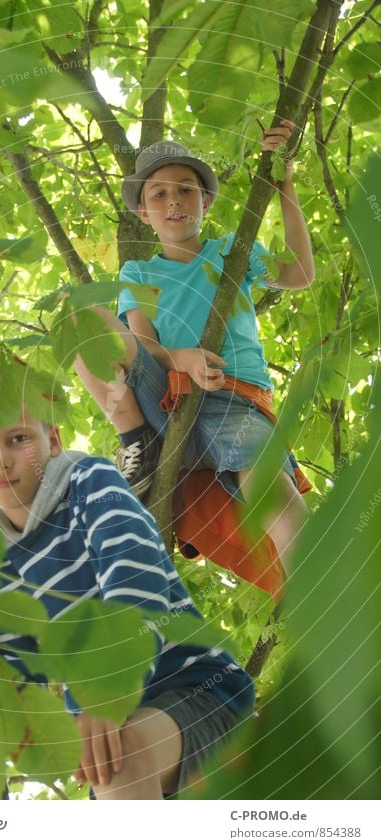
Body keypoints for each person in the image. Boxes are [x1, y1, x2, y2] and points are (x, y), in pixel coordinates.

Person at [0, 371, 255, 799]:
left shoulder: (88, 482)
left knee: (118, 762)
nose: (0, 460)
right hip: (106, 734)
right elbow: (11, 669)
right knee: (110, 773)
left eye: (18, 438)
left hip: (196, 687)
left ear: (52, 442)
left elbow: (134, 570)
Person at [74, 121, 315, 575]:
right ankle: (136, 443)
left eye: (185, 190)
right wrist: (179, 358)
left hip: (235, 406)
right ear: (144, 213)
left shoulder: (232, 251)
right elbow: (143, 342)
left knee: (277, 501)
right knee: (82, 319)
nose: (174, 202)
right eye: (159, 194)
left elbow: (300, 272)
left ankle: (320, 606)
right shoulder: (139, 273)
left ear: (206, 202)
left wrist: (284, 186)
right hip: (167, 404)